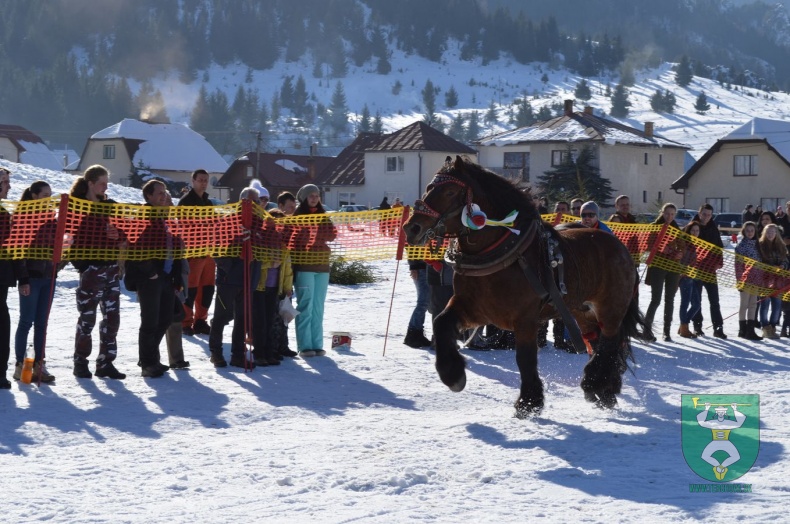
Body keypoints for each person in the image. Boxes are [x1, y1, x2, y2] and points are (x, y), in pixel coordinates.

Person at [69, 165, 126, 379]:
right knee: (87, 319)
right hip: (91, 270)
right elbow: (70, 239)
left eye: (106, 182)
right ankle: (80, 362)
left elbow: (125, 232)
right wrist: (82, 266)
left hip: (111, 269)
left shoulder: (110, 206)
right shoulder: (78, 207)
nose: (105, 186)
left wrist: (117, 235)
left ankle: (105, 363)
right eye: (101, 182)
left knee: (112, 318)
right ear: (90, 183)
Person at [124, 180, 185, 378]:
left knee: (165, 318)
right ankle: (148, 363)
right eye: (159, 192)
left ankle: (150, 358)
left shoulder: (165, 217)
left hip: (166, 276)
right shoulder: (144, 217)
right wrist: (150, 272)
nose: (164, 195)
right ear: (149, 196)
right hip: (150, 277)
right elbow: (136, 248)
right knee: (150, 321)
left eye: (165, 192)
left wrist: (174, 276)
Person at [208, 188, 260, 368]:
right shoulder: (227, 222)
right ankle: (215, 352)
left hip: (249, 278)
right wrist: (228, 267)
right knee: (222, 316)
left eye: (258, 202)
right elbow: (215, 248)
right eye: (252, 202)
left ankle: (238, 355)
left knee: (243, 319)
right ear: (243, 202)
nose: (256, 206)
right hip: (228, 279)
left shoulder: (259, 224)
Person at [12, 181, 58, 383]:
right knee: (26, 321)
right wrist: (23, 279)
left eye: (50, 195)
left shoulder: (52, 219)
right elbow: (18, 251)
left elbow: (58, 251)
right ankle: (21, 365)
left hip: (49, 277)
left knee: (42, 323)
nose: (48, 198)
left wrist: (62, 253)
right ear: (34, 196)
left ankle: (39, 364)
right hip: (30, 277)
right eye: (44, 195)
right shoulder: (23, 218)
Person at [290, 184, 337, 357]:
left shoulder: (323, 215)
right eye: (311, 195)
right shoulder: (298, 216)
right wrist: (314, 233)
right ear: (303, 197)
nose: (314, 198)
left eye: (317, 195)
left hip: (322, 266)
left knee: (318, 307)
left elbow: (332, 234)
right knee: (305, 306)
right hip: (304, 267)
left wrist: (317, 232)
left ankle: (317, 344)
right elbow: (297, 238)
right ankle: (304, 345)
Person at [251, 189, 292, 366]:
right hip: (260, 286)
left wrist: (286, 288)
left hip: (275, 287)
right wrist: (270, 264)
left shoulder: (283, 245)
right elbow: (257, 261)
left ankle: (270, 352)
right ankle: (259, 353)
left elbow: (287, 269)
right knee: (260, 322)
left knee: (270, 321)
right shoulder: (263, 239)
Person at [178, 168, 216, 336]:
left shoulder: (208, 202)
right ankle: (186, 321)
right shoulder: (186, 201)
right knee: (191, 289)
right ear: (193, 181)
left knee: (207, 289)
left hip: (208, 251)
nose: (203, 183)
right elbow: (184, 226)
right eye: (200, 180)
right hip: (193, 252)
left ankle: (201, 320)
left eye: (206, 180)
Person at [644, 203, 682, 342]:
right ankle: (646, 330)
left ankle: (666, 332)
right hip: (657, 267)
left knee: (669, 300)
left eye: (672, 214)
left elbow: (683, 246)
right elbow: (648, 244)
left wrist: (680, 254)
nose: (669, 216)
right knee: (656, 300)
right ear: (662, 213)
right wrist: (659, 249)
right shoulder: (655, 226)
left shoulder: (677, 228)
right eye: (667, 213)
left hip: (673, 268)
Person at [161, 191, 190, 369]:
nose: (169, 205)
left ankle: (176, 359)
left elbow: (182, 250)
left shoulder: (174, 224)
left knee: (176, 318)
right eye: (166, 201)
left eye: (171, 202)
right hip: (155, 278)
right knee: (154, 322)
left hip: (173, 276)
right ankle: (150, 358)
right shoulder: (148, 220)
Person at [691, 203, 727, 339]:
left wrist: (719, 263)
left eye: (709, 215)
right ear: (699, 213)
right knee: (696, 301)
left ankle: (718, 328)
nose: (706, 217)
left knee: (714, 301)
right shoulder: (692, 227)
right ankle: (697, 327)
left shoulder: (713, 228)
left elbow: (719, 248)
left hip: (710, 269)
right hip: (696, 269)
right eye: (704, 214)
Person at [757, 223, 787, 339]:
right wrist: (770, 267)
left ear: (776, 233)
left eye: (773, 232)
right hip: (764, 279)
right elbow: (758, 261)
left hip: (778, 280)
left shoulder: (781, 246)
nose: (770, 234)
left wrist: (783, 266)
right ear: (765, 233)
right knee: (765, 303)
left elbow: (786, 260)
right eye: (768, 232)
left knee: (777, 304)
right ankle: (765, 327)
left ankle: (773, 326)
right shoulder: (760, 245)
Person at [734, 221, 763, 341]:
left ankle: (750, 329)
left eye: (752, 230)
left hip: (757, 278)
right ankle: (742, 329)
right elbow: (738, 265)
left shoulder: (759, 245)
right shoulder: (741, 246)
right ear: (744, 232)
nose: (750, 233)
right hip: (745, 279)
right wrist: (740, 280)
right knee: (744, 304)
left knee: (753, 305)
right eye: (748, 231)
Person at [677, 221, 703, 339]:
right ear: (688, 230)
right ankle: (684, 328)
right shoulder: (684, 243)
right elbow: (680, 260)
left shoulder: (697, 244)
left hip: (693, 276)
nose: (695, 233)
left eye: (697, 231)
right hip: (684, 277)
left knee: (696, 304)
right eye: (693, 230)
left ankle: (683, 324)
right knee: (685, 302)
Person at [0, 168, 14, 389]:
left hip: (1, 276)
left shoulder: (5, 212)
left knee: (2, 322)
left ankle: (1, 372)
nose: (8, 186)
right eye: (4, 182)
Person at [403, 255, 432, 348]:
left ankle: (417, 333)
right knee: (423, 302)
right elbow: (411, 247)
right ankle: (413, 334)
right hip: (421, 268)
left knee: (426, 302)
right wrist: (413, 267)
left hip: (429, 267)